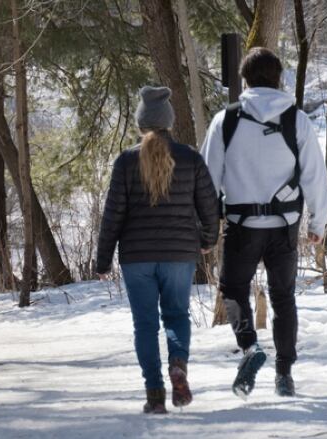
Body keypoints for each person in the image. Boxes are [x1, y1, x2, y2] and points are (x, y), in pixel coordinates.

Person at [201, 47, 327, 398]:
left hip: (242, 226)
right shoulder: (296, 119)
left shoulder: (225, 120)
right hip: (284, 226)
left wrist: (206, 228)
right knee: (284, 298)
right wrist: (318, 222)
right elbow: (316, 177)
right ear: (279, 79)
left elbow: (207, 179)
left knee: (232, 290)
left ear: (244, 80)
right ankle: (284, 374)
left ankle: (249, 347)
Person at [96, 86, 219, 414]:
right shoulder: (190, 158)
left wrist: (103, 259)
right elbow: (209, 204)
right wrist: (208, 239)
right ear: (168, 122)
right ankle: (178, 364)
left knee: (146, 324)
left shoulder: (125, 162)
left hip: (137, 258)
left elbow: (113, 215)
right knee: (177, 315)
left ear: (141, 124)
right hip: (179, 254)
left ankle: (154, 394)